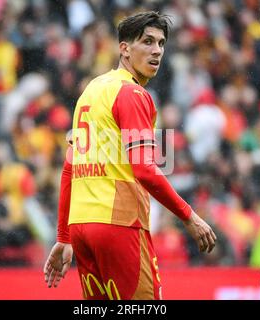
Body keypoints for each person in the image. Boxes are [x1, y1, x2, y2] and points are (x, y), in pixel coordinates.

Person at [44, 11, 217, 300]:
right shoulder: (132, 94)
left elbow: (69, 169)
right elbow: (145, 169)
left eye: (161, 43)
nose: (156, 51)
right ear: (124, 48)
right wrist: (190, 217)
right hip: (119, 225)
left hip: (82, 228)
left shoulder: (91, 91)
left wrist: (63, 238)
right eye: (147, 42)